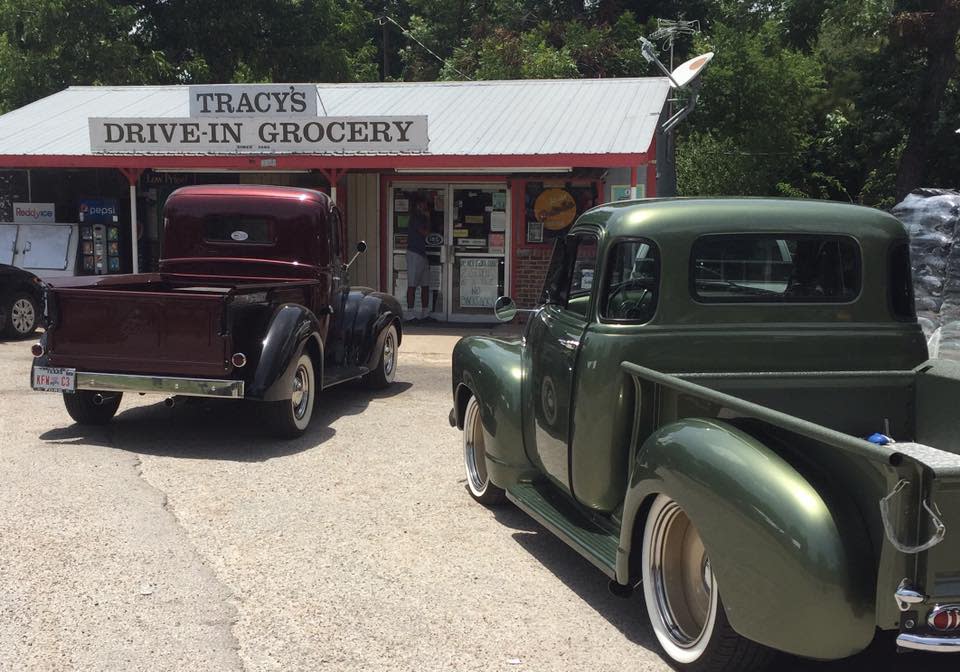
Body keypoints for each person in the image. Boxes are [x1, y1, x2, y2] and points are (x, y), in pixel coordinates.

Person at [405, 195, 431, 320]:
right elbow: (425, 233)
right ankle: (410, 313)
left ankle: (425, 313)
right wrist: (428, 218)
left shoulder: (422, 218)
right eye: (424, 204)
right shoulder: (415, 218)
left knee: (425, 285)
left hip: (423, 254)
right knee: (412, 285)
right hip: (414, 253)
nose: (426, 206)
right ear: (419, 205)